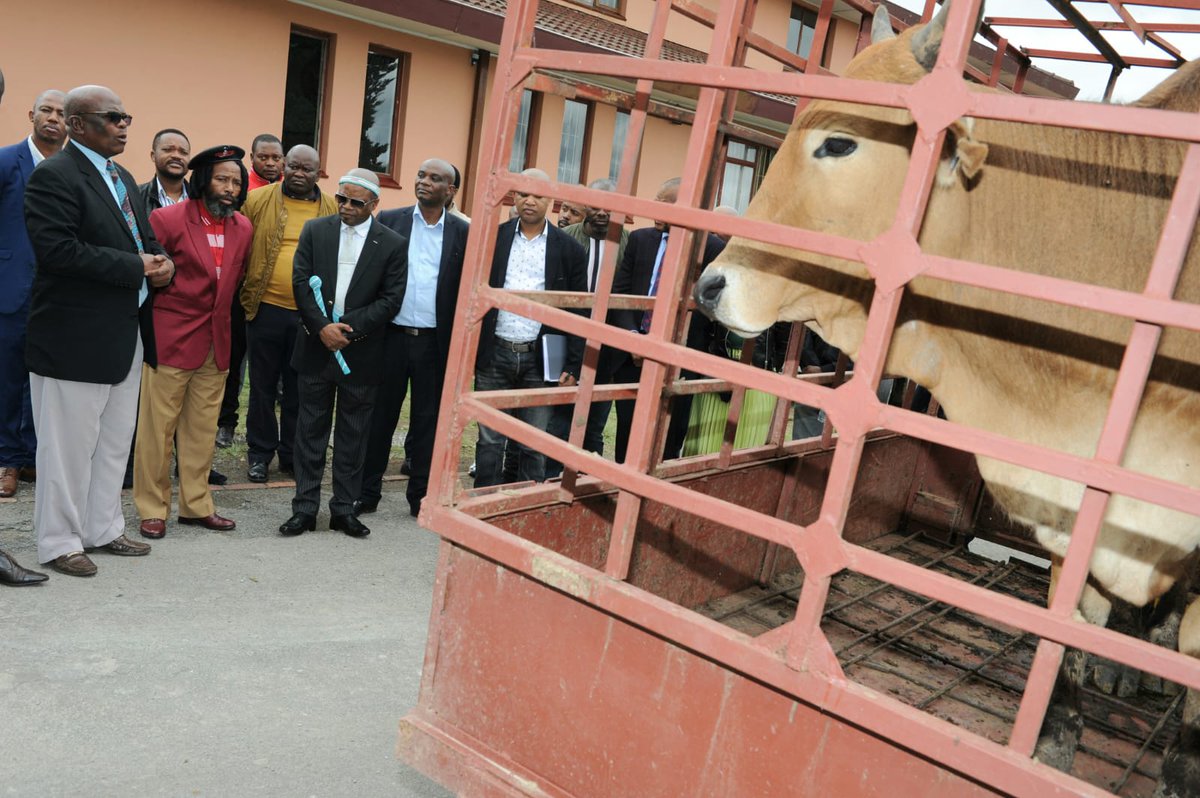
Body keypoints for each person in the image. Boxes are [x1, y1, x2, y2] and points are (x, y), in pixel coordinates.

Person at [24, 84, 174, 577]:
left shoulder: (122, 175)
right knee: (67, 447)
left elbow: (144, 237)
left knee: (113, 440)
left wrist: (163, 263)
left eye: (126, 116)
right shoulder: (54, 176)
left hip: (123, 330)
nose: (124, 125)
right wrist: (136, 265)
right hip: (72, 336)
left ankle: (102, 528)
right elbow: (58, 252)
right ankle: (59, 541)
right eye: (113, 118)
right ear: (77, 124)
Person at [279, 169, 407, 538]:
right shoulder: (316, 231)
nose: (347, 207)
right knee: (309, 432)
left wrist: (347, 328)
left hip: (361, 355)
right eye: (342, 199)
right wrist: (322, 328)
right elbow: (300, 281)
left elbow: (391, 299)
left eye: (356, 202)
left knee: (354, 435)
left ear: (374, 205)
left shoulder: (393, 244)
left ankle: (343, 510)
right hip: (317, 348)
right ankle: (304, 509)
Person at [133, 146, 253, 539]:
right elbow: (148, 274)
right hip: (172, 339)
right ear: (202, 179)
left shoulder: (243, 228)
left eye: (236, 181)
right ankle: (152, 507)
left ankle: (196, 504)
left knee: (201, 429)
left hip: (217, 343)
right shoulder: (166, 218)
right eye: (222, 178)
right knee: (157, 429)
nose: (229, 188)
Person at [356, 159, 468, 518]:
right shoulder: (391, 221)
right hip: (390, 337)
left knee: (427, 422)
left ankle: (420, 496)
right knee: (379, 417)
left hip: (435, 344)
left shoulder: (463, 234)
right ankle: (366, 492)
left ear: (450, 191)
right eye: (421, 175)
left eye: (435, 179)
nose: (424, 182)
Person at [474, 169, 587, 488]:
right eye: (523, 194)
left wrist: (573, 363)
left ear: (550, 199)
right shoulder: (493, 238)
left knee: (533, 443)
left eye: (537, 194)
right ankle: (483, 505)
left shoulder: (570, 250)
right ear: (514, 197)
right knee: (489, 441)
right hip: (495, 351)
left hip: (542, 357)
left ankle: (525, 508)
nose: (529, 201)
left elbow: (580, 309)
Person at [239, 145, 338, 483]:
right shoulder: (257, 201)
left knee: (300, 389)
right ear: (284, 166)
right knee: (262, 388)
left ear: (318, 172)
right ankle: (259, 455)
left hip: (309, 316)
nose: (298, 173)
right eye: (292, 166)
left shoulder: (332, 209)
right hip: (265, 308)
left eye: (306, 169)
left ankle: (292, 456)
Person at [610, 177, 725, 463]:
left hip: (680, 356)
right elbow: (621, 292)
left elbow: (710, 306)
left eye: (664, 203)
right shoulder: (640, 239)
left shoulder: (711, 247)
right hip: (633, 354)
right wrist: (633, 336)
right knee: (628, 428)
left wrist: (673, 345)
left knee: (670, 431)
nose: (655, 209)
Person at [0, 73, 56, 586]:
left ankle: (35, 457)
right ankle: (7, 462)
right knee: (9, 379)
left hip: (59, 297)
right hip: (12, 288)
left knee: (44, 378)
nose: (55, 119)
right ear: (31, 116)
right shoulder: (6, 161)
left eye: (64, 113)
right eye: (48, 111)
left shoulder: (74, 172)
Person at [545, 177, 629, 477]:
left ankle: (587, 479)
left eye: (610, 206)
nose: (603, 212)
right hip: (568, 338)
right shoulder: (564, 237)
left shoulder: (626, 242)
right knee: (560, 415)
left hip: (606, 346)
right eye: (596, 205)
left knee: (596, 417)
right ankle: (552, 476)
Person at [216, 133, 284, 449]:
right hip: (239, 290)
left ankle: (270, 431)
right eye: (263, 157)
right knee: (232, 361)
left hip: (275, 297)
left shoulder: (292, 191)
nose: (270, 163)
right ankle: (226, 422)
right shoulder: (243, 189)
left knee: (270, 371)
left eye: (275, 158)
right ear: (252, 158)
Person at [139, 128, 191, 212]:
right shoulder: (136, 196)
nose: (176, 156)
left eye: (183, 152)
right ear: (153, 156)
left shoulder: (201, 199)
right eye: (168, 150)